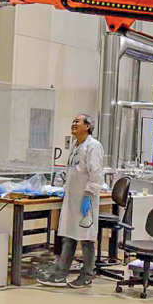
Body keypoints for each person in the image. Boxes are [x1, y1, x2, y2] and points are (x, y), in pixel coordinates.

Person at [40, 113, 104, 289]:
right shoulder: (76, 146)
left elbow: (96, 175)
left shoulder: (93, 146)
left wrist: (87, 197)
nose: (74, 124)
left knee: (87, 238)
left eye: (77, 121)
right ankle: (60, 274)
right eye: (73, 121)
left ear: (88, 126)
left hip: (86, 199)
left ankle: (87, 275)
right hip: (72, 198)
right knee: (69, 237)